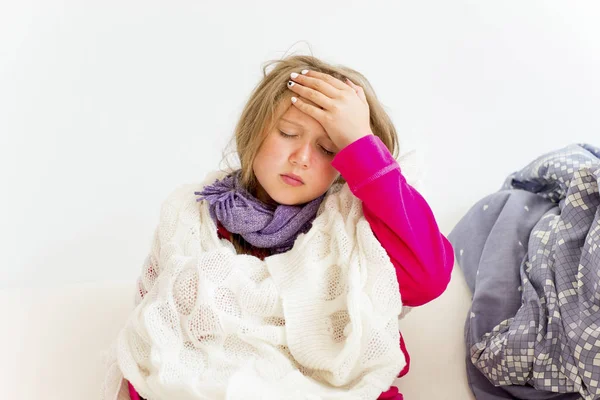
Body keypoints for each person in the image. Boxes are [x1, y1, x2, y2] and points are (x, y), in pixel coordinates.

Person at [122, 54, 454, 400]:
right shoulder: (191, 217)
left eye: (328, 149)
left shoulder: (362, 224)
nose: (303, 158)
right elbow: (153, 346)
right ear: (255, 130)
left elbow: (427, 278)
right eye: (288, 133)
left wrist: (359, 141)